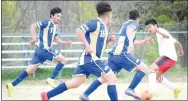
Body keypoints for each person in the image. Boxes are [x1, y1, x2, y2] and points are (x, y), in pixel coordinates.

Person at [40, 2, 118, 100]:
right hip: (90, 59)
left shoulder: (103, 27)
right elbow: (79, 30)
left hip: (87, 60)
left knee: (75, 83)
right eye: (111, 15)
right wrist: (87, 45)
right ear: (108, 14)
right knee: (111, 77)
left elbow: (98, 45)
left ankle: (47, 95)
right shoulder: (95, 23)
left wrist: (108, 41)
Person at [79, 9, 153, 100]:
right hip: (122, 55)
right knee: (144, 68)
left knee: (105, 77)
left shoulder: (125, 24)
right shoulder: (134, 24)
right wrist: (130, 43)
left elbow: (133, 41)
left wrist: (144, 41)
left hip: (114, 55)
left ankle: (85, 94)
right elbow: (130, 33)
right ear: (138, 19)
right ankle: (130, 89)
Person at [6, 7, 72, 97]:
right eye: (57, 16)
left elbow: (56, 39)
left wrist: (65, 42)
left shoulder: (55, 26)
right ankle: (51, 79)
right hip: (44, 50)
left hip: (39, 51)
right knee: (64, 60)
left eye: (60, 16)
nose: (59, 18)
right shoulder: (47, 22)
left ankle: (12, 85)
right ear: (52, 16)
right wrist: (34, 38)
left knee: (30, 70)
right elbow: (33, 26)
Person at [145, 19, 184, 99]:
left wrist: (159, 31)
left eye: (149, 27)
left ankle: (152, 93)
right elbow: (177, 42)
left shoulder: (160, 31)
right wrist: (180, 50)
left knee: (150, 69)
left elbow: (167, 36)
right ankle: (175, 89)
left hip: (167, 57)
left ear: (155, 25)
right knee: (156, 77)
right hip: (170, 59)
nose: (148, 29)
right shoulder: (162, 32)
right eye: (147, 28)